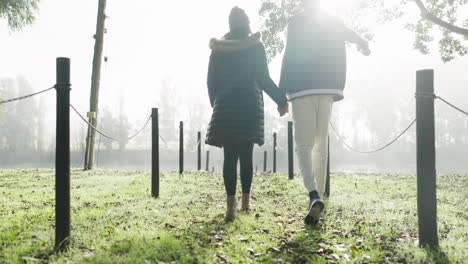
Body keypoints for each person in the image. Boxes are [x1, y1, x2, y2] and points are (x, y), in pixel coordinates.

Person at [279, 0, 371, 225]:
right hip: (327, 87)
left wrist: (281, 94)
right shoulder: (332, 20)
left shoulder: (296, 22)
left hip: (301, 89)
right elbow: (349, 33)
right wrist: (362, 43)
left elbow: (289, 55)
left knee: (303, 145)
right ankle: (317, 198)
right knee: (321, 144)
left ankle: (313, 195)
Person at [206, 6, 289, 222]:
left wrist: (216, 103)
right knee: (246, 156)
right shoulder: (255, 46)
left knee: (229, 158)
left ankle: (230, 209)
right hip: (249, 106)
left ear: (230, 24)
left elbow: (210, 81)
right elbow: (263, 78)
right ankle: (245, 203)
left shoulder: (218, 48)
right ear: (247, 23)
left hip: (225, 108)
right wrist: (281, 100)